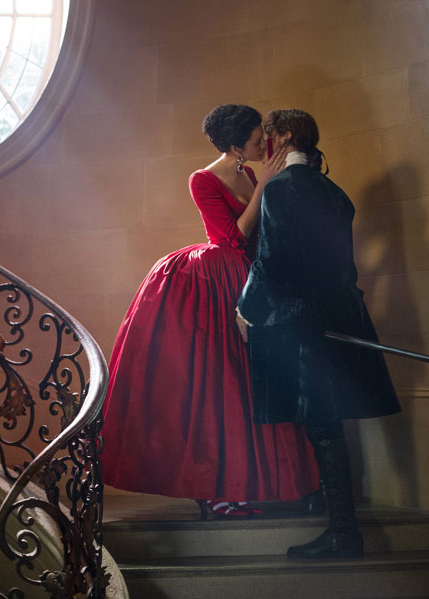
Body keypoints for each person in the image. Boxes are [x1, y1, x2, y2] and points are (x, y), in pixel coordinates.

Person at [100, 104, 319, 517]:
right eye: (257, 140)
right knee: (222, 386)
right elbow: (232, 239)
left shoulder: (251, 172)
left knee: (255, 383)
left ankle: (258, 484)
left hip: (250, 277)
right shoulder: (202, 180)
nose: (263, 145)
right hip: (217, 281)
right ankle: (218, 490)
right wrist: (262, 189)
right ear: (237, 145)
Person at [236, 109, 401, 556]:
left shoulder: (282, 189)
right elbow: (344, 268)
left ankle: (344, 534)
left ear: (286, 136)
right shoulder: (335, 193)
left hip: (301, 326)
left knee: (323, 426)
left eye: (271, 136)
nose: (267, 145)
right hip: (337, 319)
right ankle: (342, 530)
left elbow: (271, 259)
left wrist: (245, 310)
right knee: (326, 423)